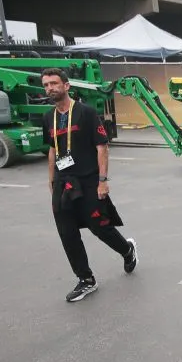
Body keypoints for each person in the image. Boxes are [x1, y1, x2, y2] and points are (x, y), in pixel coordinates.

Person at [42, 68, 138, 303]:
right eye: (46, 85)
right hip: (63, 184)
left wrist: (102, 181)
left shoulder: (86, 113)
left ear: (66, 86)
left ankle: (127, 250)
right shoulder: (48, 117)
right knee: (67, 232)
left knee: (99, 226)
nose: (50, 88)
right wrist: (51, 179)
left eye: (54, 83)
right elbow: (53, 149)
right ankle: (86, 279)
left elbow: (102, 147)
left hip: (88, 181)